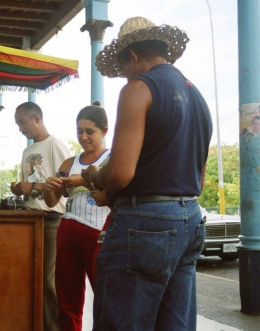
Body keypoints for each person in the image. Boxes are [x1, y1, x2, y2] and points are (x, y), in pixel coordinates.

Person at [82, 17, 213, 330]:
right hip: (191, 218)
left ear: (133, 55)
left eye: (124, 66)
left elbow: (120, 175)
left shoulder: (138, 89)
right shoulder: (198, 97)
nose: (125, 76)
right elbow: (200, 177)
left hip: (145, 225)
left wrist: (95, 176)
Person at [43, 102, 111, 331]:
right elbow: (52, 202)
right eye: (79, 131)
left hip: (100, 232)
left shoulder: (113, 159)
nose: (83, 137)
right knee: (67, 298)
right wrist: (50, 186)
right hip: (68, 230)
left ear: (104, 131)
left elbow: (119, 187)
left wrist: (82, 180)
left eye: (89, 131)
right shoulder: (69, 163)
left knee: (105, 296)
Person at [10, 101, 70, 331]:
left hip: (51, 220)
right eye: (17, 124)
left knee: (48, 280)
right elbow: (29, 185)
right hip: (29, 218)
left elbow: (65, 184)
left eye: (22, 122)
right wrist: (20, 188)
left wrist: (32, 186)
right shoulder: (27, 151)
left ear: (37, 119)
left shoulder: (55, 145)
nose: (20, 129)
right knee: (30, 276)